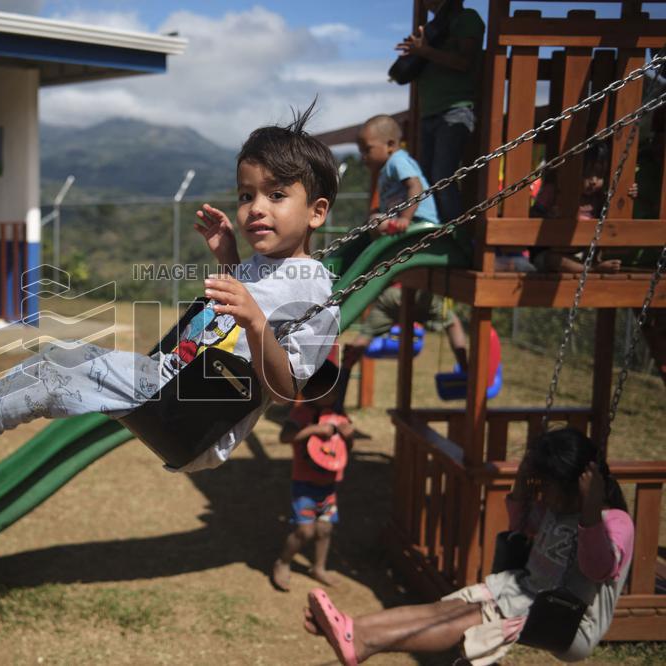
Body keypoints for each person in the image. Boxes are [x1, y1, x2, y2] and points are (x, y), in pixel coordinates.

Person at [0, 102, 340, 473]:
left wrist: (257, 322)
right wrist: (227, 257)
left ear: (316, 213)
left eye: (276, 195)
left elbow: (287, 391)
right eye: (246, 195)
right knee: (59, 356)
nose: (256, 208)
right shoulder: (262, 267)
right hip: (171, 384)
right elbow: (241, 310)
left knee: (59, 368)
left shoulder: (317, 291)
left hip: (193, 418)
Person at [302, 427, 634, 665]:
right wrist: (521, 489)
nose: (542, 495)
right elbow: (524, 529)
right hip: (523, 593)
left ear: (581, 485)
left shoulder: (613, 522)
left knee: (467, 619)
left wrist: (590, 514)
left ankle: (362, 640)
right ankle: (352, 631)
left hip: (568, 623)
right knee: (443, 610)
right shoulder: (556, 510)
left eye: (547, 487)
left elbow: (598, 568)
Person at [343, 114, 468, 375]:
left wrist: (404, 219)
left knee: (376, 221)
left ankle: (465, 363)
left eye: (367, 150)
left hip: (419, 223)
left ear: (390, 145)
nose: (364, 157)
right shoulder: (385, 169)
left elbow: (415, 187)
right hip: (402, 223)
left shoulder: (398, 160)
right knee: (373, 220)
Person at [396, 0, 485, 225]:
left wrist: (424, 51)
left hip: (455, 109)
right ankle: (433, 231)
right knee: (426, 177)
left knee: (442, 176)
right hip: (430, 112)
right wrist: (414, 55)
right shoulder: (433, 28)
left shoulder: (467, 18)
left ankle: (454, 235)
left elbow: (464, 62)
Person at [272, 359, 354, 591]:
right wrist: (313, 430)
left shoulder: (338, 414)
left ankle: (318, 567)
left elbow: (345, 449)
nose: (336, 395)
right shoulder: (301, 413)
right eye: (331, 392)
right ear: (312, 392)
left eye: (337, 391)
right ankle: (283, 562)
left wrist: (348, 436)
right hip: (305, 484)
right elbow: (285, 437)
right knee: (304, 530)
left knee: (325, 529)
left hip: (329, 485)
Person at [532, 142, 638, 273]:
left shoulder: (599, 198)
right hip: (553, 253)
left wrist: (628, 192)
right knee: (554, 260)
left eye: (599, 175)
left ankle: (590, 266)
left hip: (584, 253)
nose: (593, 181)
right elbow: (534, 214)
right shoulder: (553, 191)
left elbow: (619, 203)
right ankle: (592, 270)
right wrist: (549, 217)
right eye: (587, 174)